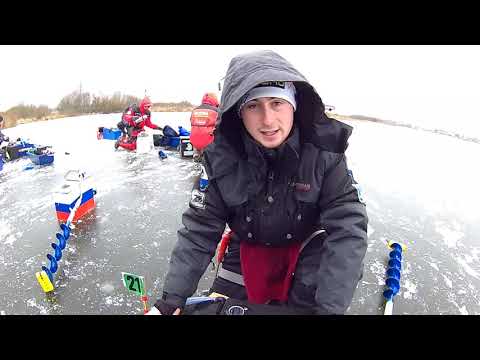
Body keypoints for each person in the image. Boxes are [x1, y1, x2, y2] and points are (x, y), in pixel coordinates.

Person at [149, 50, 368, 315]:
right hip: (248, 248)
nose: (267, 120)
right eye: (253, 106)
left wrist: (331, 310)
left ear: (294, 105)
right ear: (238, 113)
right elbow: (200, 229)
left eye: (277, 102)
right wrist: (171, 300)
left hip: (308, 252)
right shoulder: (220, 160)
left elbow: (347, 230)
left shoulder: (326, 154)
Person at [189, 92, 219, 161]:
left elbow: (191, 123)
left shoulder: (194, 110)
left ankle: (197, 156)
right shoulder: (216, 111)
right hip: (209, 143)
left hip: (194, 141)